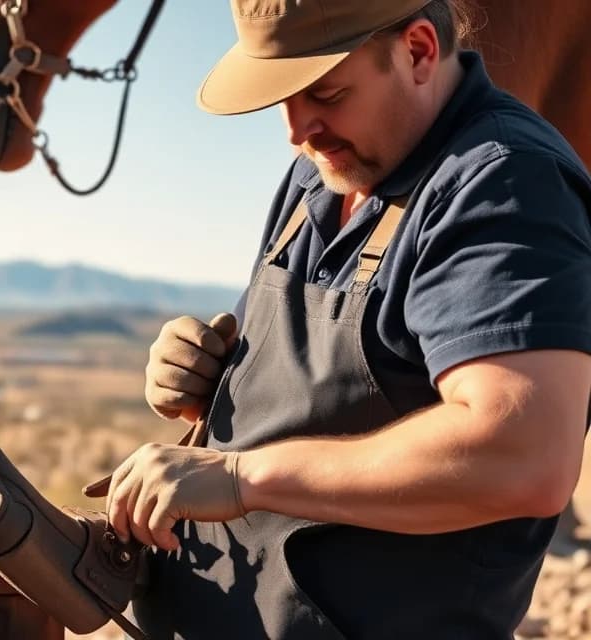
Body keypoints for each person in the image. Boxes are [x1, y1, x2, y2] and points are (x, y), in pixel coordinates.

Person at [103, 0, 591, 637]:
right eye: (280, 96)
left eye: (325, 91)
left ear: (417, 50)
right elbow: (315, 398)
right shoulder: (326, 171)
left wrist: (244, 477)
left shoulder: (505, 184)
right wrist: (205, 379)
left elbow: (520, 454)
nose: (297, 129)